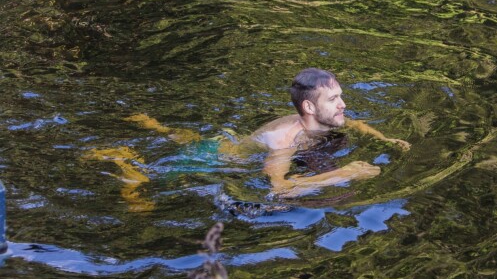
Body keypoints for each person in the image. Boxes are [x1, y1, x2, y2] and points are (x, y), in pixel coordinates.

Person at [87, 68, 410, 206]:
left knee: (197, 137)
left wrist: (385, 139)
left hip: (230, 141)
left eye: (341, 95)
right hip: (217, 158)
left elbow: (353, 123)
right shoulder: (285, 142)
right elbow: (280, 189)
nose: (343, 104)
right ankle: (121, 157)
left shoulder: (327, 119)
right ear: (310, 107)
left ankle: (153, 124)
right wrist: (345, 173)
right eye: (333, 99)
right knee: (149, 183)